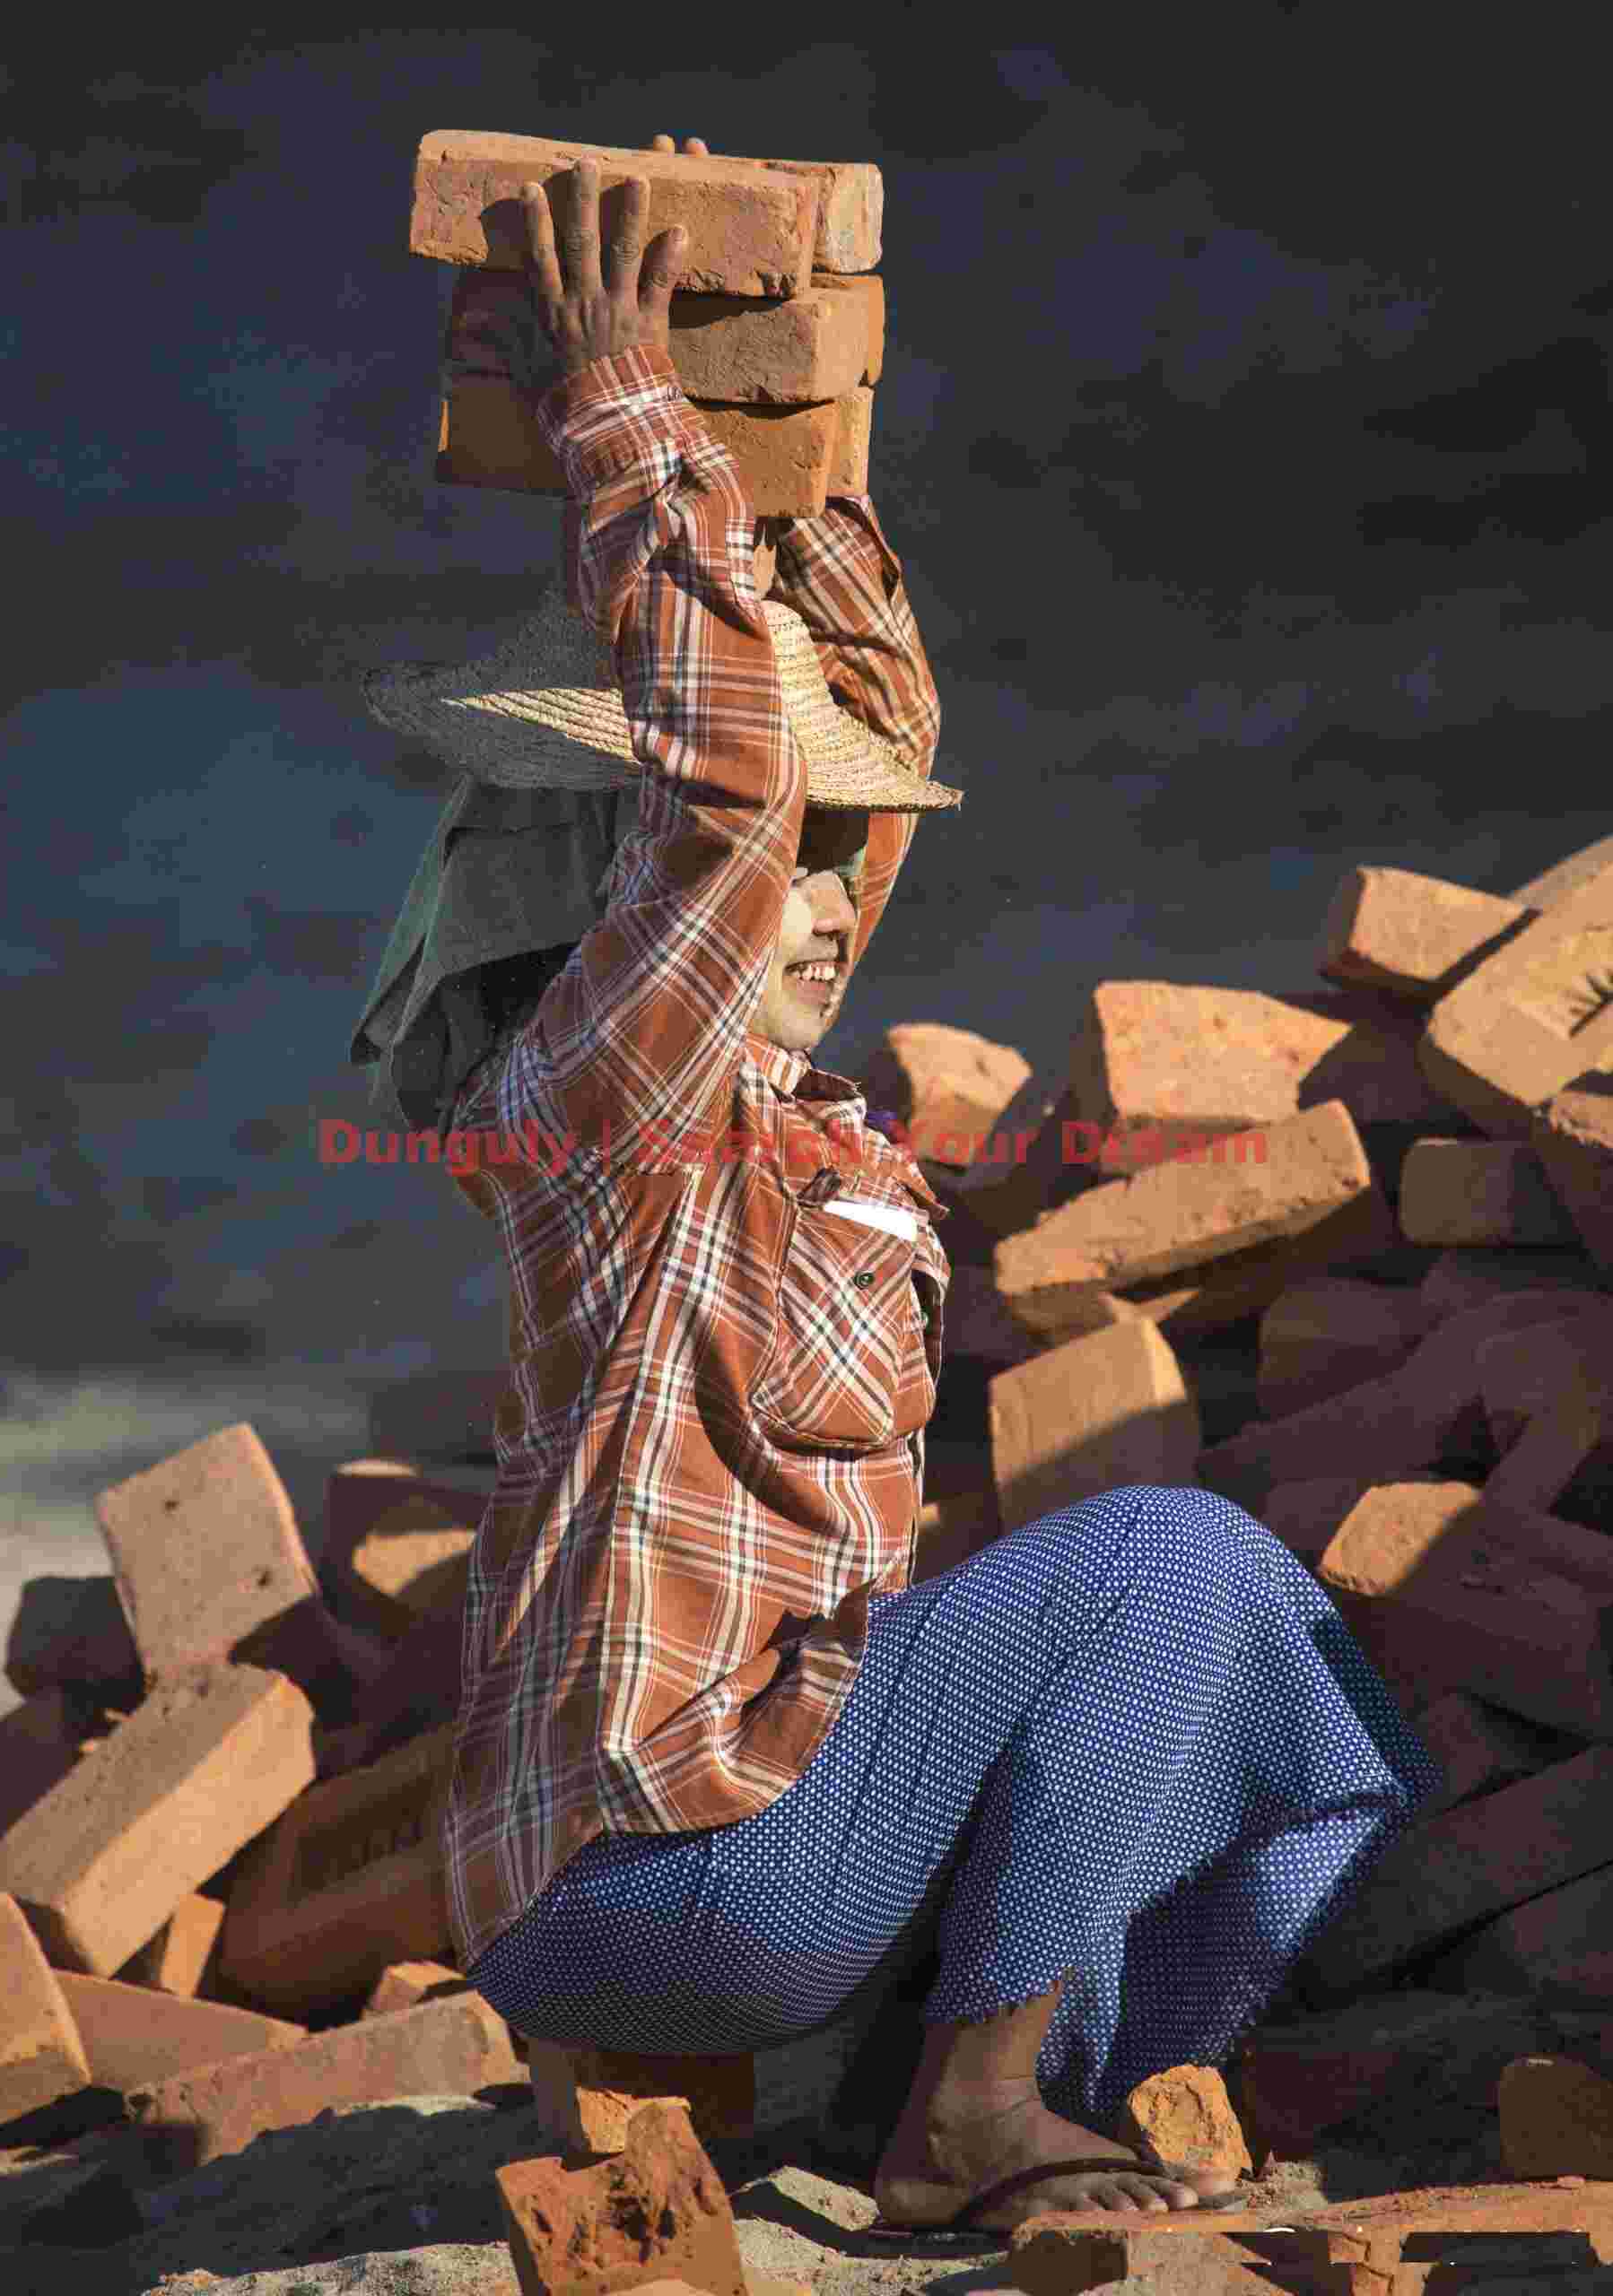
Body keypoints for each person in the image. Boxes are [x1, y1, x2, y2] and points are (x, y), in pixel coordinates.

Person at [424, 137, 1440, 2246]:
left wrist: (792, 429)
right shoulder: (612, 1091)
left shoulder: (787, 1097)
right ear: (596, 886)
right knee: (1156, 1551)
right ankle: (976, 2108)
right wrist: (623, 412)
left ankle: (1087, 2073)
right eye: (772, 866)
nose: (820, 900)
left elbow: (845, 762)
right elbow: (729, 799)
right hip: (656, 1879)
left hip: (761, 1863)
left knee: (1278, 1646)